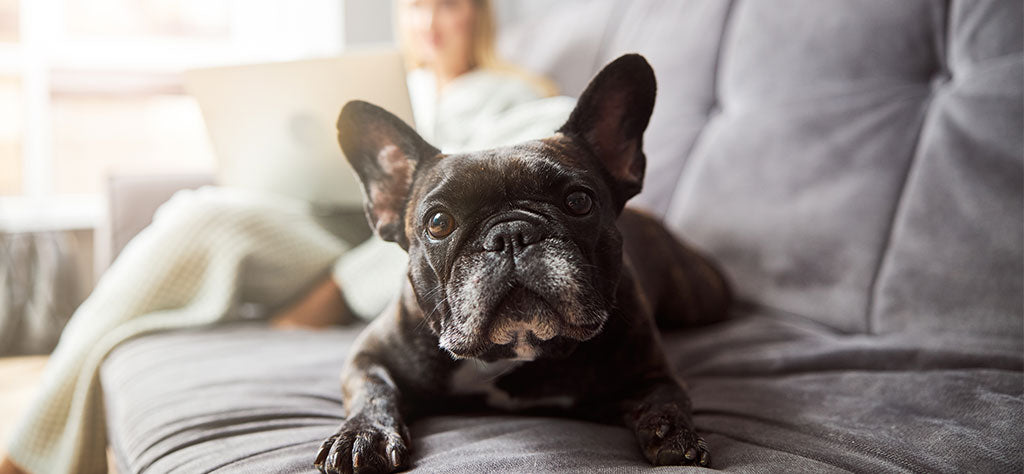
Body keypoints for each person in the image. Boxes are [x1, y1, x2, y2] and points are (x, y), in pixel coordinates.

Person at [0, 0, 574, 473]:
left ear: (480, 16)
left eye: (447, 7)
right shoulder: (403, 89)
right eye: (415, 7)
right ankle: (34, 441)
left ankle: (30, 456)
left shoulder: (514, 93)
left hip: (400, 254)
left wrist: (338, 285)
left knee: (216, 225)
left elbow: (509, 188)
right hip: (332, 223)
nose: (429, 22)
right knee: (196, 212)